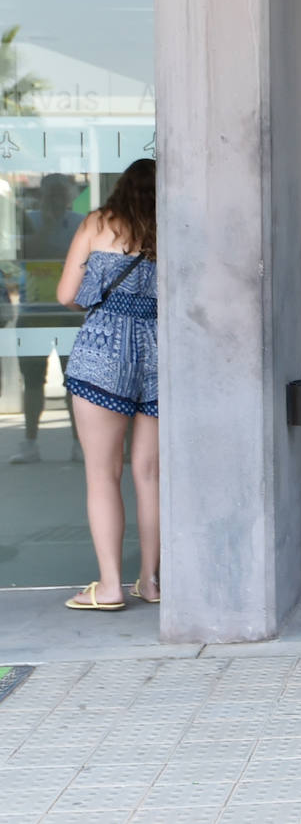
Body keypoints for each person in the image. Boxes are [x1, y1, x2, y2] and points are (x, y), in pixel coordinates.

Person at [55, 159, 159, 610]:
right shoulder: (173, 229)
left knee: (102, 473)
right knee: (150, 474)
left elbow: (67, 295)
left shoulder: (98, 223)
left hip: (102, 354)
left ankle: (111, 586)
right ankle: (151, 581)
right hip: (160, 351)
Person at [10, 173, 85, 464]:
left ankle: (79, 444)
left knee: (75, 382)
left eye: (61, 192)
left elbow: (85, 261)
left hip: (70, 313)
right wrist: (50, 227)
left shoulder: (80, 223)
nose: (56, 198)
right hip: (34, 312)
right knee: (32, 380)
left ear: (70, 195)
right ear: (41, 194)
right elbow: (25, 253)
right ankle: (30, 443)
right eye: (51, 192)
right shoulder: (29, 220)